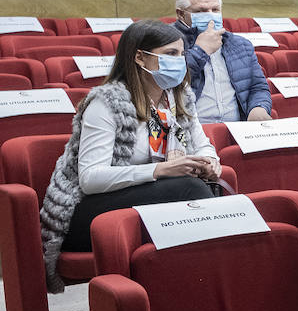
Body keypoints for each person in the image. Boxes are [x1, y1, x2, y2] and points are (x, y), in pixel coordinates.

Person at [38, 20, 220, 290]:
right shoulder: (107, 102)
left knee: (204, 187)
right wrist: (159, 171)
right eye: (170, 54)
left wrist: (209, 162)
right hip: (89, 214)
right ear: (139, 56)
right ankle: (214, 282)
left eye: (182, 54)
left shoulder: (179, 97)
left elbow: (202, 144)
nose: (180, 61)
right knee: (189, 190)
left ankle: (189, 286)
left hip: (154, 197)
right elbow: (90, 179)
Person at [169, 0, 272, 123]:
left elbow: (257, 87)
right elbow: (169, 82)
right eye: (201, 11)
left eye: (215, 10)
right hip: (190, 130)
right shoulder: (166, 43)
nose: (210, 15)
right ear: (181, 14)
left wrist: (258, 107)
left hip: (238, 129)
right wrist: (201, 50)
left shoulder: (240, 45)